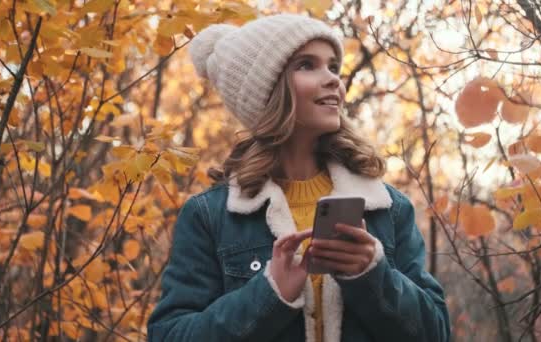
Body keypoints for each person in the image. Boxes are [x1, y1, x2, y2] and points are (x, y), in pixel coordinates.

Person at [147, 13, 450, 342]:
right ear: (268, 91)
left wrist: (372, 275)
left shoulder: (387, 208)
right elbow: (169, 335)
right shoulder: (210, 216)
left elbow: (437, 332)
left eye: (333, 66)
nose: (333, 78)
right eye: (307, 65)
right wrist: (269, 293)